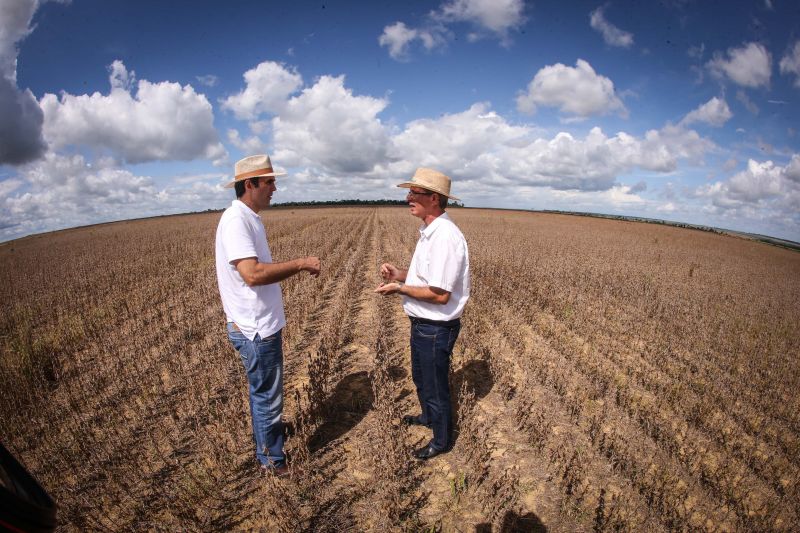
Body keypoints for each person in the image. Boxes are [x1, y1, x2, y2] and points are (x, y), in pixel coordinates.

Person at [215, 154, 320, 476]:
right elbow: (253, 274)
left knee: (262, 393)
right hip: (255, 329)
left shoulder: (248, 218)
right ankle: (272, 462)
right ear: (250, 185)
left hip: (257, 325)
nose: (275, 188)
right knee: (267, 398)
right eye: (270, 181)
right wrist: (300, 263)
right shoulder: (237, 221)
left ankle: (266, 439)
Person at [375, 167, 470, 460]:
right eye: (410, 191)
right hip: (423, 324)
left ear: (434, 198)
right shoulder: (430, 232)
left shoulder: (445, 237)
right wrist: (401, 274)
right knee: (421, 377)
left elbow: (440, 295)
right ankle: (428, 417)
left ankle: (441, 440)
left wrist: (400, 289)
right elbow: (428, 279)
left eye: (415, 192)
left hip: (435, 326)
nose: (408, 197)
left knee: (435, 384)